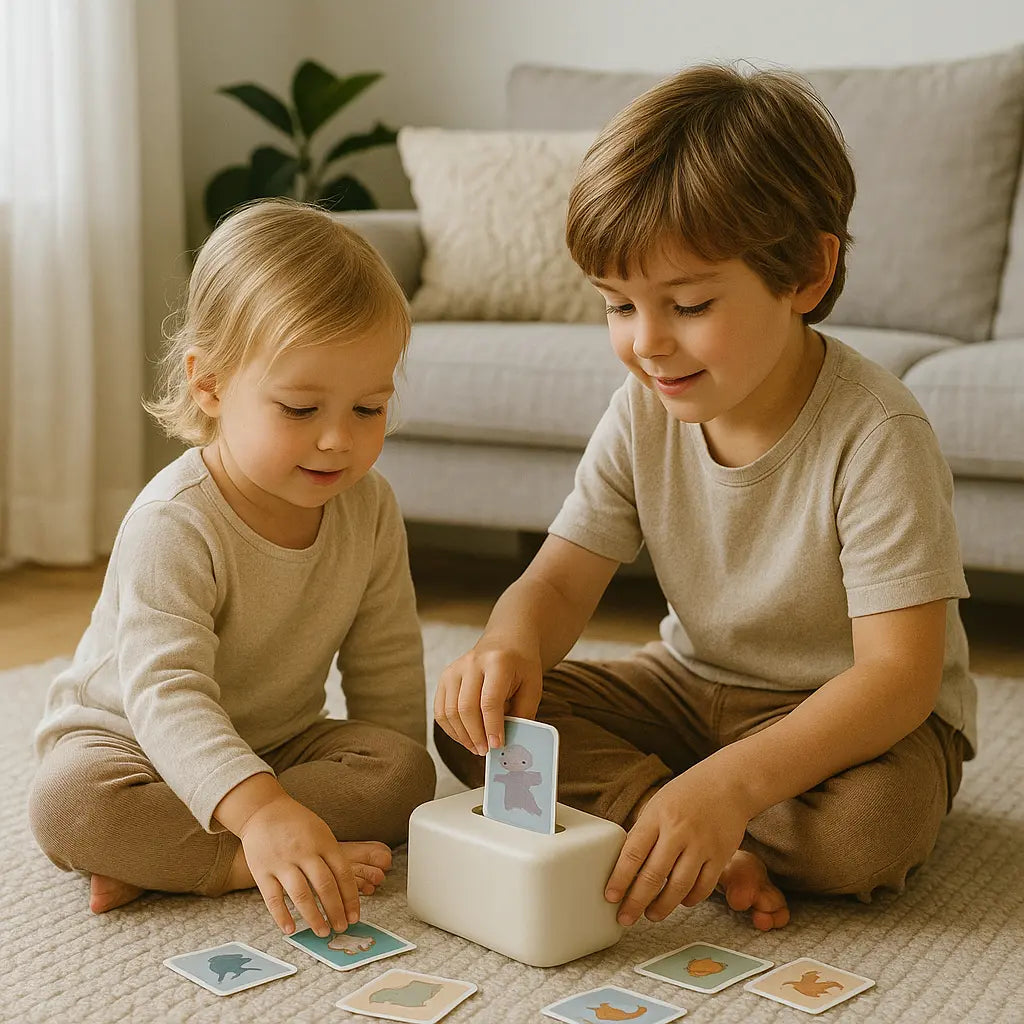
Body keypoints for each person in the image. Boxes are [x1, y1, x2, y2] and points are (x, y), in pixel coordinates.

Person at [434, 64, 973, 932]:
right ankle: (691, 830)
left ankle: (680, 815)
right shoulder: (642, 413)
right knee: (479, 728)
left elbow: (898, 679)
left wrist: (731, 783)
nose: (647, 343)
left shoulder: (877, 432)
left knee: (866, 832)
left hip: (850, 716)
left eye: (685, 304)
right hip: (691, 686)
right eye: (617, 305)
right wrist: (506, 643)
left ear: (804, 271)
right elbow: (560, 584)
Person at [29, 199, 436, 939]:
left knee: (404, 771)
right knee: (69, 804)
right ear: (210, 385)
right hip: (135, 742)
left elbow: (388, 664)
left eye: (370, 409)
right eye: (300, 408)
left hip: (278, 741)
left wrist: (397, 791)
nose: (338, 441)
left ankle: (166, 858)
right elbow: (167, 692)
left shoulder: (369, 508)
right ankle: (234, 862)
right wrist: (262, 813)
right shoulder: (173, 521)